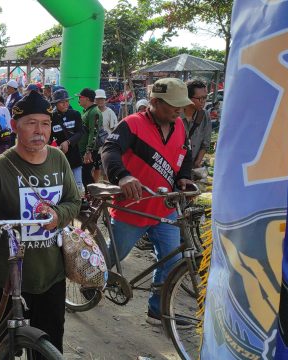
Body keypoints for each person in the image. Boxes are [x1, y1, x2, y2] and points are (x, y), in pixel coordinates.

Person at [0, 90, 81, 354]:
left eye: (45, 123)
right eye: (31, 123)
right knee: (4, 347)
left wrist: (58, 214)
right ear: (14, 126)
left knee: (49, 345)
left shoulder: (58, 159)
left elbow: (73, 201)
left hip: (51, 274)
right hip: (6, 276)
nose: (40, 130)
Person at [100, 77, 194, 325]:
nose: (178, 110)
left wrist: (184, 178)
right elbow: (109, 150)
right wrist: (122, 176)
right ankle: (88, 283)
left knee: (171, 262)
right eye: (173, 105)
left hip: (165, 208)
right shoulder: (132, 124)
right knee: (112, 258)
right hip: (132, 208)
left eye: (180, 105)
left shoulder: (180, 125)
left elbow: (185, 155)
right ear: (154, 102)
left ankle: (158, 310)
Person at [50, 89, 85, 192]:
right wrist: (54, 147)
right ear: (56, 103)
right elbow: (48, 137)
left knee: (78, 187)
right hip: (58, 157)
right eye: (62, 102)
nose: (65, 104)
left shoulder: (75, 114)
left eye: (67, 101)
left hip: (74, 156)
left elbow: (80, 132)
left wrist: (68, 142)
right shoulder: (51, 117)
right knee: (61, 187)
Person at [181, 79, 212, 169]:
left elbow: (205, 143)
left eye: (205, 97)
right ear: (187, 97)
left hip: (192, 166)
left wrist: (197, 162)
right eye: (199, 98)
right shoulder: (175, 115)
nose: (203, 101)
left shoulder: (204, 115)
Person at [77, 88, 102, 188]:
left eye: (80, 97)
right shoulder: (88, 111)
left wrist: (89, 151)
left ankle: (93, 197)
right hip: (84, 149)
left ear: (87, 99)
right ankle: (91, 196)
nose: (79, 99)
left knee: (85, 174)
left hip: (88, 151)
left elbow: (94, 133)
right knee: (84, 174)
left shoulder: (94, 112)